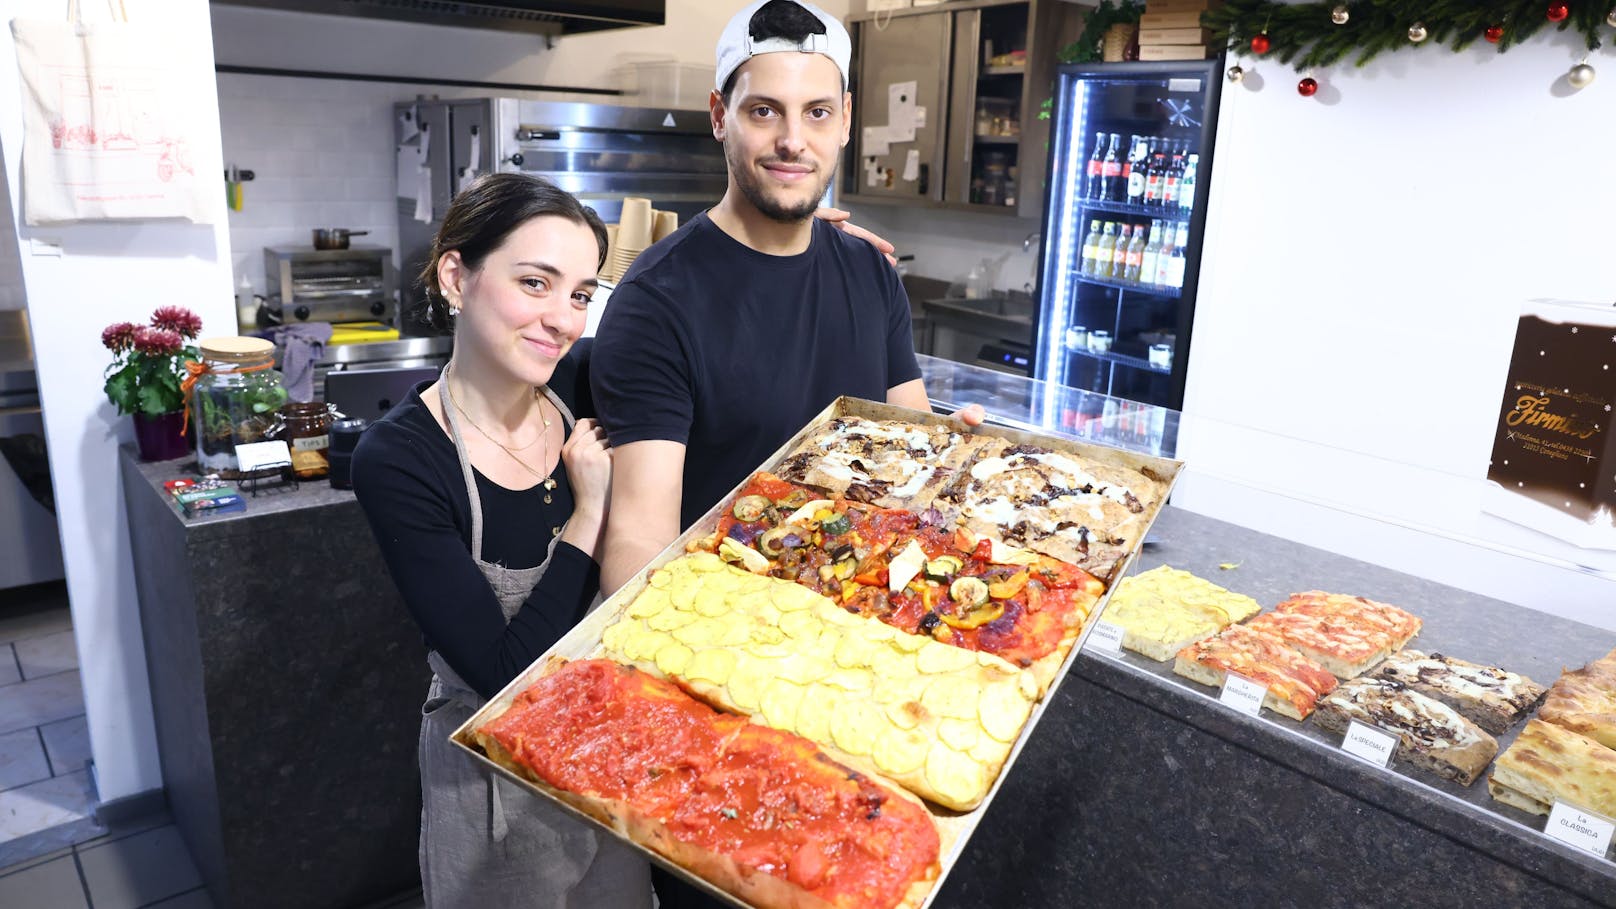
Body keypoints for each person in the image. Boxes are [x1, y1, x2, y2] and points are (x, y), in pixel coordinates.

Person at [592, 0, 982, 597]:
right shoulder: (656, 302)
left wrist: (951, 459)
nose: (793, 141)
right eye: (765, 111)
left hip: (872, 603)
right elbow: (639, 540)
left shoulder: (871, 273)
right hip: (731, 619)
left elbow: (913, 448)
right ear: (720, 116)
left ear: (846, 120)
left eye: (818, 113)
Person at [351, 173, 652, 908]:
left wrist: (796, 248)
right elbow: (504, 673)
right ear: (457, 275)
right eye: (535, 282)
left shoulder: (580, 383)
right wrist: (589, 511)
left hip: (608, 762)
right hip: (497, 791)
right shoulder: (401, 458)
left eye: (580, 294)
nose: (563, 319)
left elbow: (694, 326)